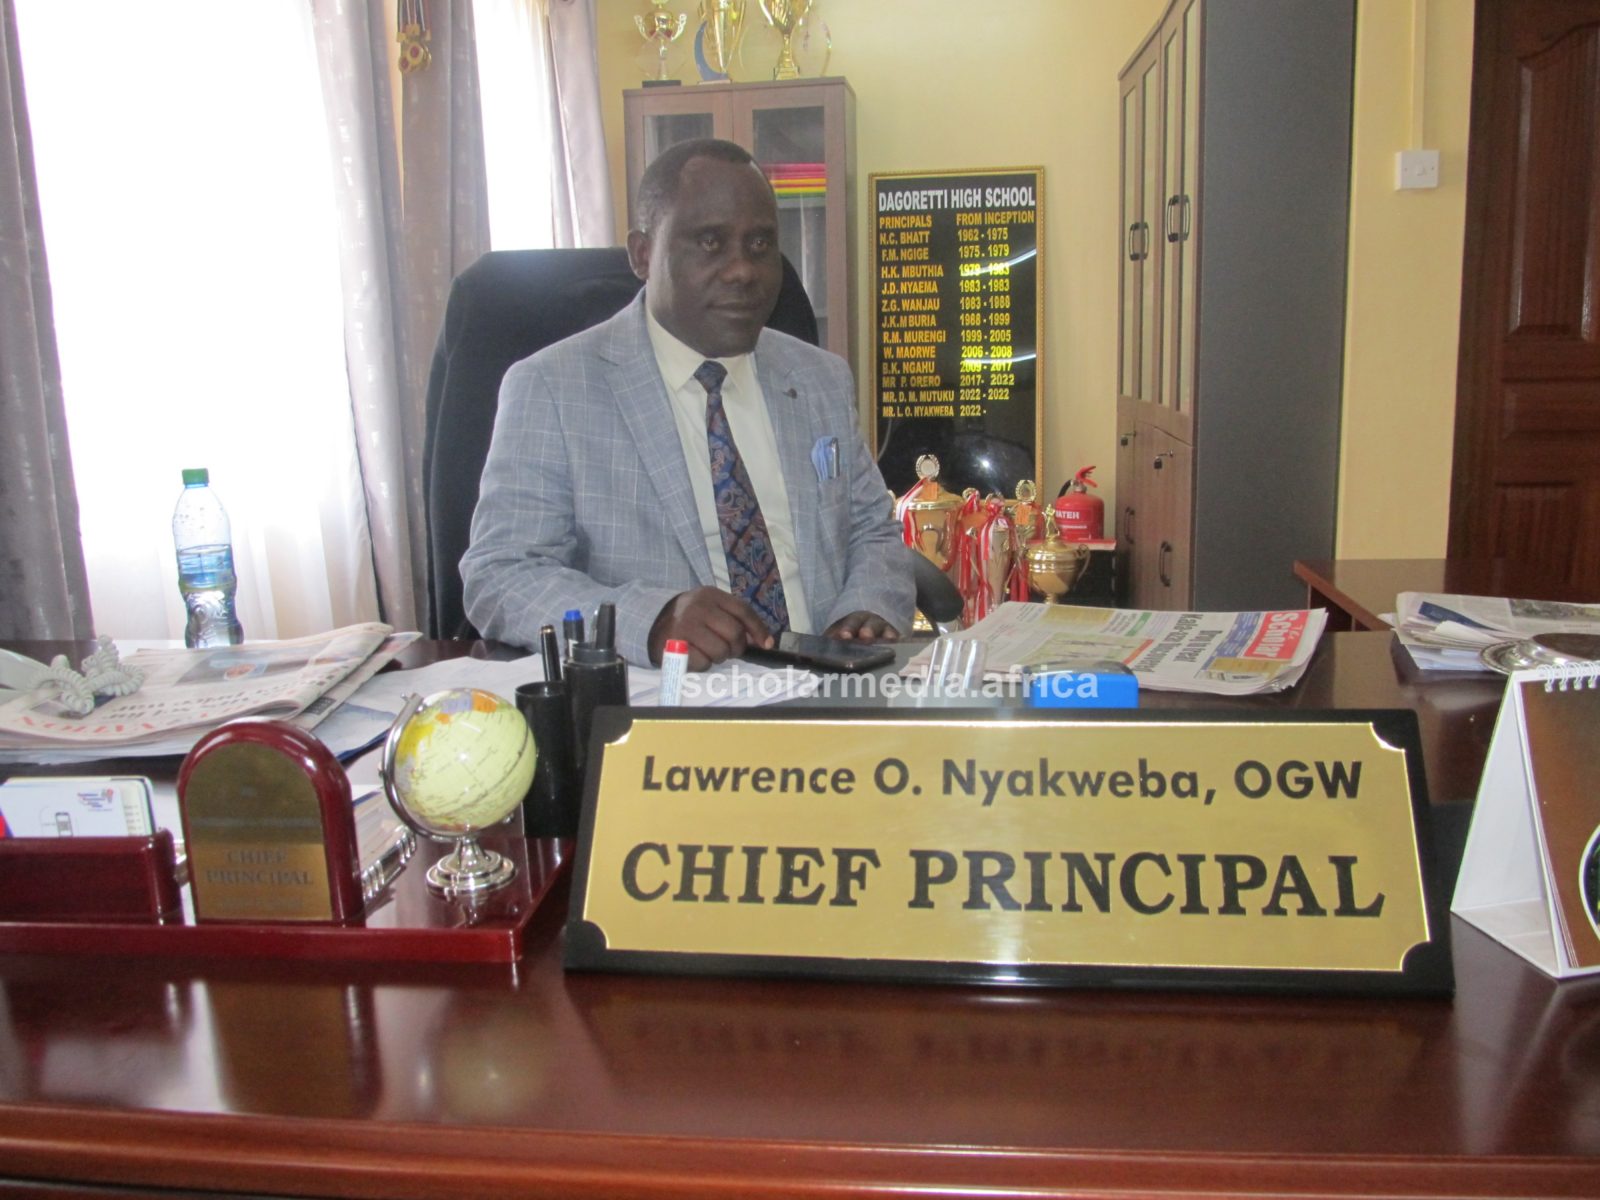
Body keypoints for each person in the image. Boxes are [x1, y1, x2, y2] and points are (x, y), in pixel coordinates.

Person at [461, 137, 915, 670]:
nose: (742, 270)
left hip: (827, 689)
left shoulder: (819, 377)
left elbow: (871, 528)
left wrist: (867, 606)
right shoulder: (553, 388)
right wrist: (649, 620)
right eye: (709, 243)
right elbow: (502, 573)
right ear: (642, 254)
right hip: (668, 710)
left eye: (761, 244)